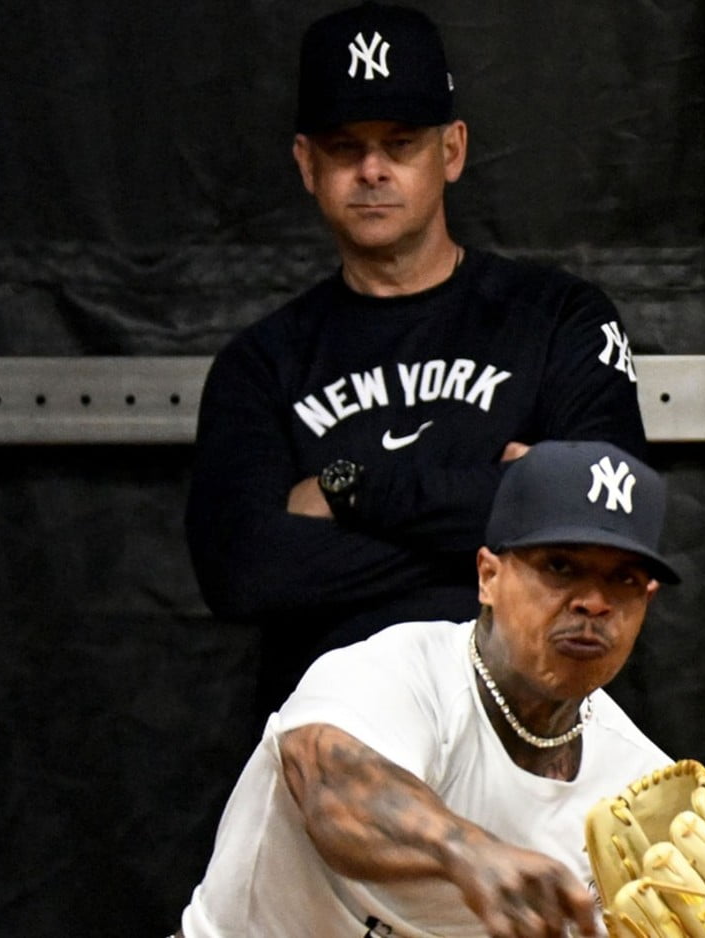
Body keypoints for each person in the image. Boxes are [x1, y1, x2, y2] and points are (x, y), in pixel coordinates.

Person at [185, 2, 648, 714]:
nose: (372, 170)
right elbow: (245, 574)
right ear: (307, 163)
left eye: (400, 144)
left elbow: (604, 521)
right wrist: (507, 530)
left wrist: (346, 493)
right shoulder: (261, 364)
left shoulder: (559, 320)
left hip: (530, 723)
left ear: (451, 150)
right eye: (345, 147)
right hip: (335, 731)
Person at [174, 440, 682, 938]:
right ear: (488, 576)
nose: (594, 602)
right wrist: (468, 852)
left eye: (624, 579)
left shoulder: (643, 791)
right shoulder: (395, 673)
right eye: (560, 567)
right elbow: (333, 792)